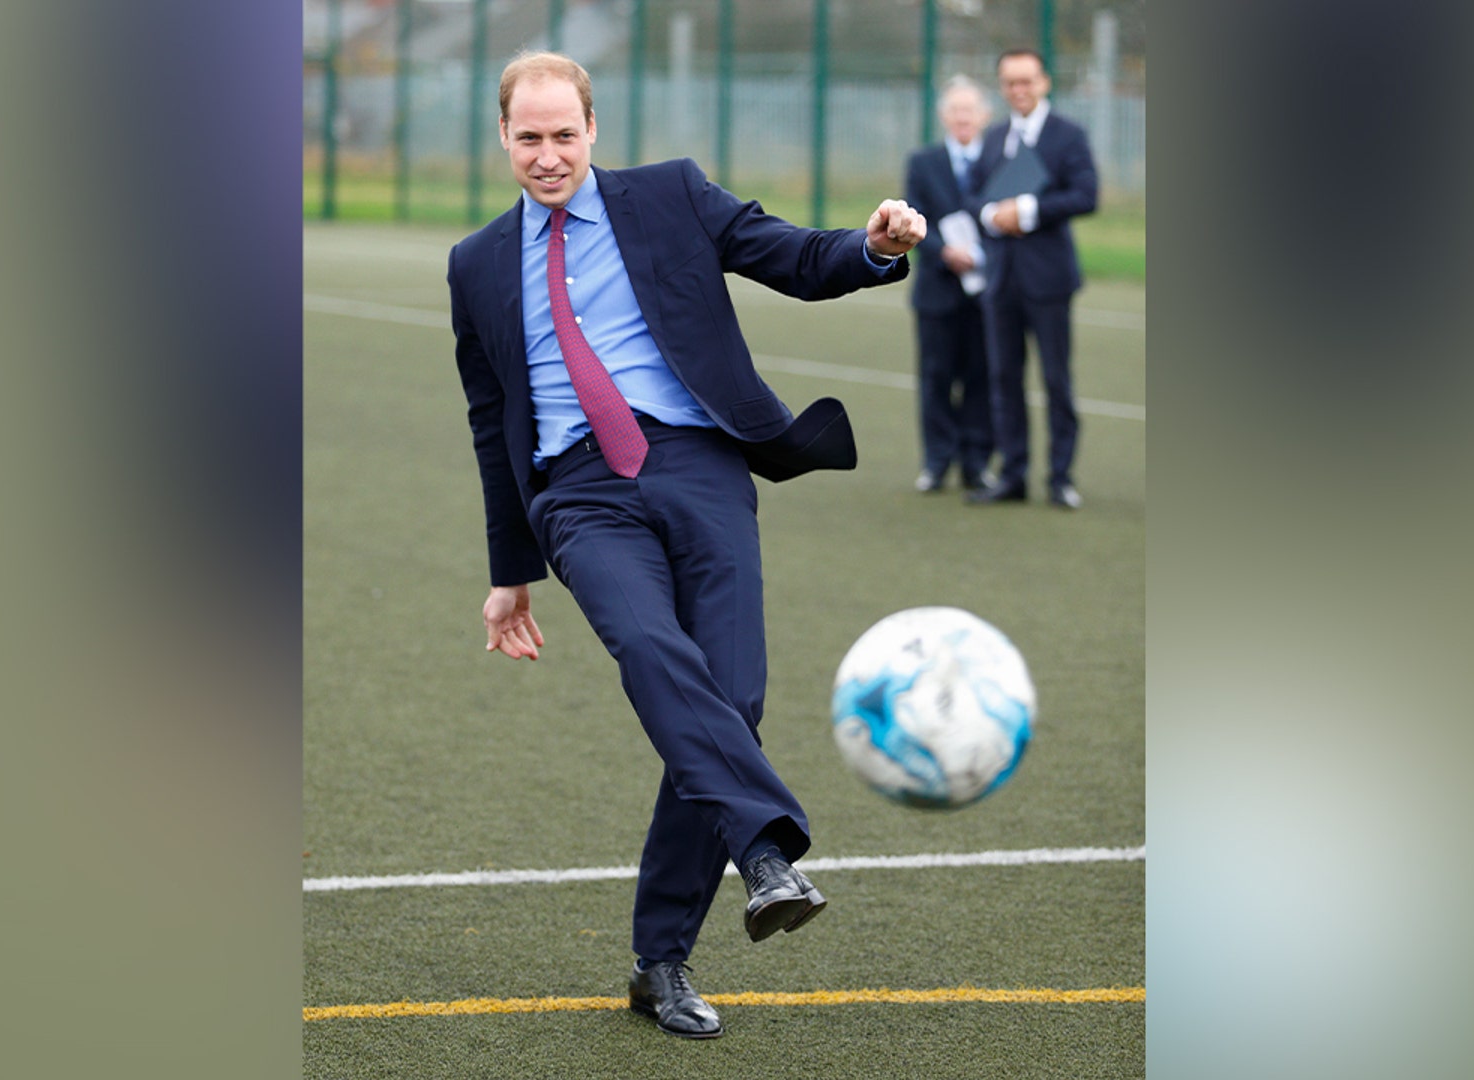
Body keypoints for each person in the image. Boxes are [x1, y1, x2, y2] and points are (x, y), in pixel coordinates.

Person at [446, 52, 926, 1040]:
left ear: (593, 128)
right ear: (503, 136)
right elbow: (492, 423)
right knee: (651, 647)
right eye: (529, 138)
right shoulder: (476, 263)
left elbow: (794, 257)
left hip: (699, 463)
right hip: (579, 492)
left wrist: (873, 246)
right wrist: (509, 575)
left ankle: (657, 961)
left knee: (731, 699)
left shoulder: (671, 195)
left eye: (564, 135)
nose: (548, 155)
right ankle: (765, 855)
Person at [965, 48, 1099, 509]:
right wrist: (990, 215)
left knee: (1056, 380)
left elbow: (1086, 195)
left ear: (1044, 82)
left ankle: (1061, 478)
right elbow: (973, 196)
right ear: (1002, 87)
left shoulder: (1068, 135)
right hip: (1000, 279)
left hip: (1049, 279)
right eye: (1010, 82)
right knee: (1004, 379)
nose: (1019, 90)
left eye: (1027, 81)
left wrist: (1026, 210)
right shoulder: (993, 137)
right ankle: (1013, 475)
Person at [902, 77, 995, 495]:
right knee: (936, 376)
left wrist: (982, 254)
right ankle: (937, 461)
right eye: (955, 109)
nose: (963, 117)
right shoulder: (923, 162)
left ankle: (977, 463)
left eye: (969, 109)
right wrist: (944, 251)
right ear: (944, 116)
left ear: (984, 116)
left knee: (982, 377)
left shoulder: (999, 160)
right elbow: (912, 216)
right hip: (938, 289)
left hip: (987, 290)